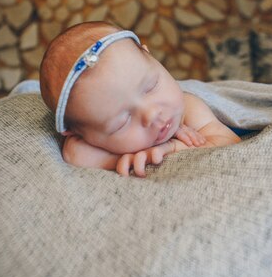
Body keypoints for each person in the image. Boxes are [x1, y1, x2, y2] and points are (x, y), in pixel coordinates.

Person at [39, 21, 240, 177]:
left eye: (151, 87)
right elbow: (75, 154)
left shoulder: (189, 107)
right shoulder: (82, 140)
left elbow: (230, 144)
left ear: (150, 56)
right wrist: (125, 157)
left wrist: (173, 148)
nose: (151, 114)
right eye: (122, 122)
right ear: (82, 134)